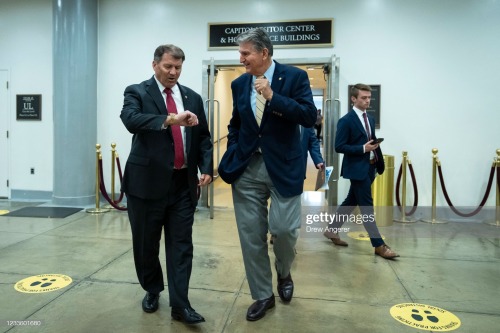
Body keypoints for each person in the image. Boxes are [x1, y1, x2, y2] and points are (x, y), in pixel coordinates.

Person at [218, 28, 317, 321]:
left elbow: (309, 116)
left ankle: (284, 272)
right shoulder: (239, 84)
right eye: (240, 53)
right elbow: (236, 124)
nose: (241, 58)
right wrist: (235, 148)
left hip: (284, 167)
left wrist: (273, 96)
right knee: (251, 236)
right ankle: (262, 294)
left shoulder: (294, 77)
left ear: (264, 53)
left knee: (284, 230)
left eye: (246, 53)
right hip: (247, 168)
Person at [120, 44, 213, 325]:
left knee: (182, 246)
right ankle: (152, 288)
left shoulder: (192, 97)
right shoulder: (137, 92)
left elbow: (204, 137)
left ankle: (180, 305)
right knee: (147, 245)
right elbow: (131, 120)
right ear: (155, 65)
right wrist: (171, 119)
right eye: (168, 66)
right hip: (146, 186)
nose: (173, 72)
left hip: (182, 185)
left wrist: (206, 167)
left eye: (178, 67)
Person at [323, 83, 399, 259]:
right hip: (356, 169)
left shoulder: (369, 119)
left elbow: (371, 141)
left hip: (370, 167)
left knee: (351, 201)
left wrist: (378, 159)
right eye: (363, 98)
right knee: (367, 207)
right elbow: (339, 146)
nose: (367, 101)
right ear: (353, 99)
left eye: (369, 98)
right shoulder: (346, 121)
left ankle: (332, 230)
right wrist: (362, 149)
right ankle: (379, 245)